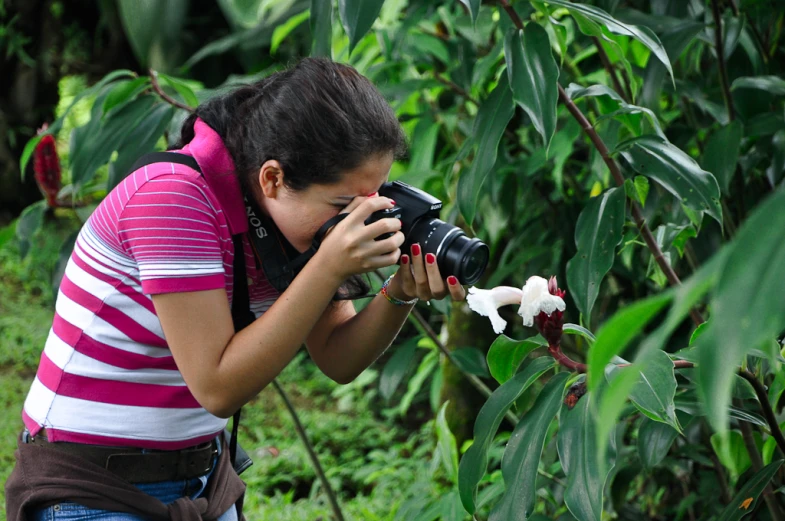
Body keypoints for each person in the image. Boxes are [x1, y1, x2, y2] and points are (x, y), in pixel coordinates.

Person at [5, 57, 467, 520]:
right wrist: (326, 267)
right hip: (90, 486)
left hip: (202, 479)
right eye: (345, 205)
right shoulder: (175, 197)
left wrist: (400, 292)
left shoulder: (298, 223)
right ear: (272, 178)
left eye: (374, 197)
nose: (359, 220)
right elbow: (217, 388)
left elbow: (336, 356)